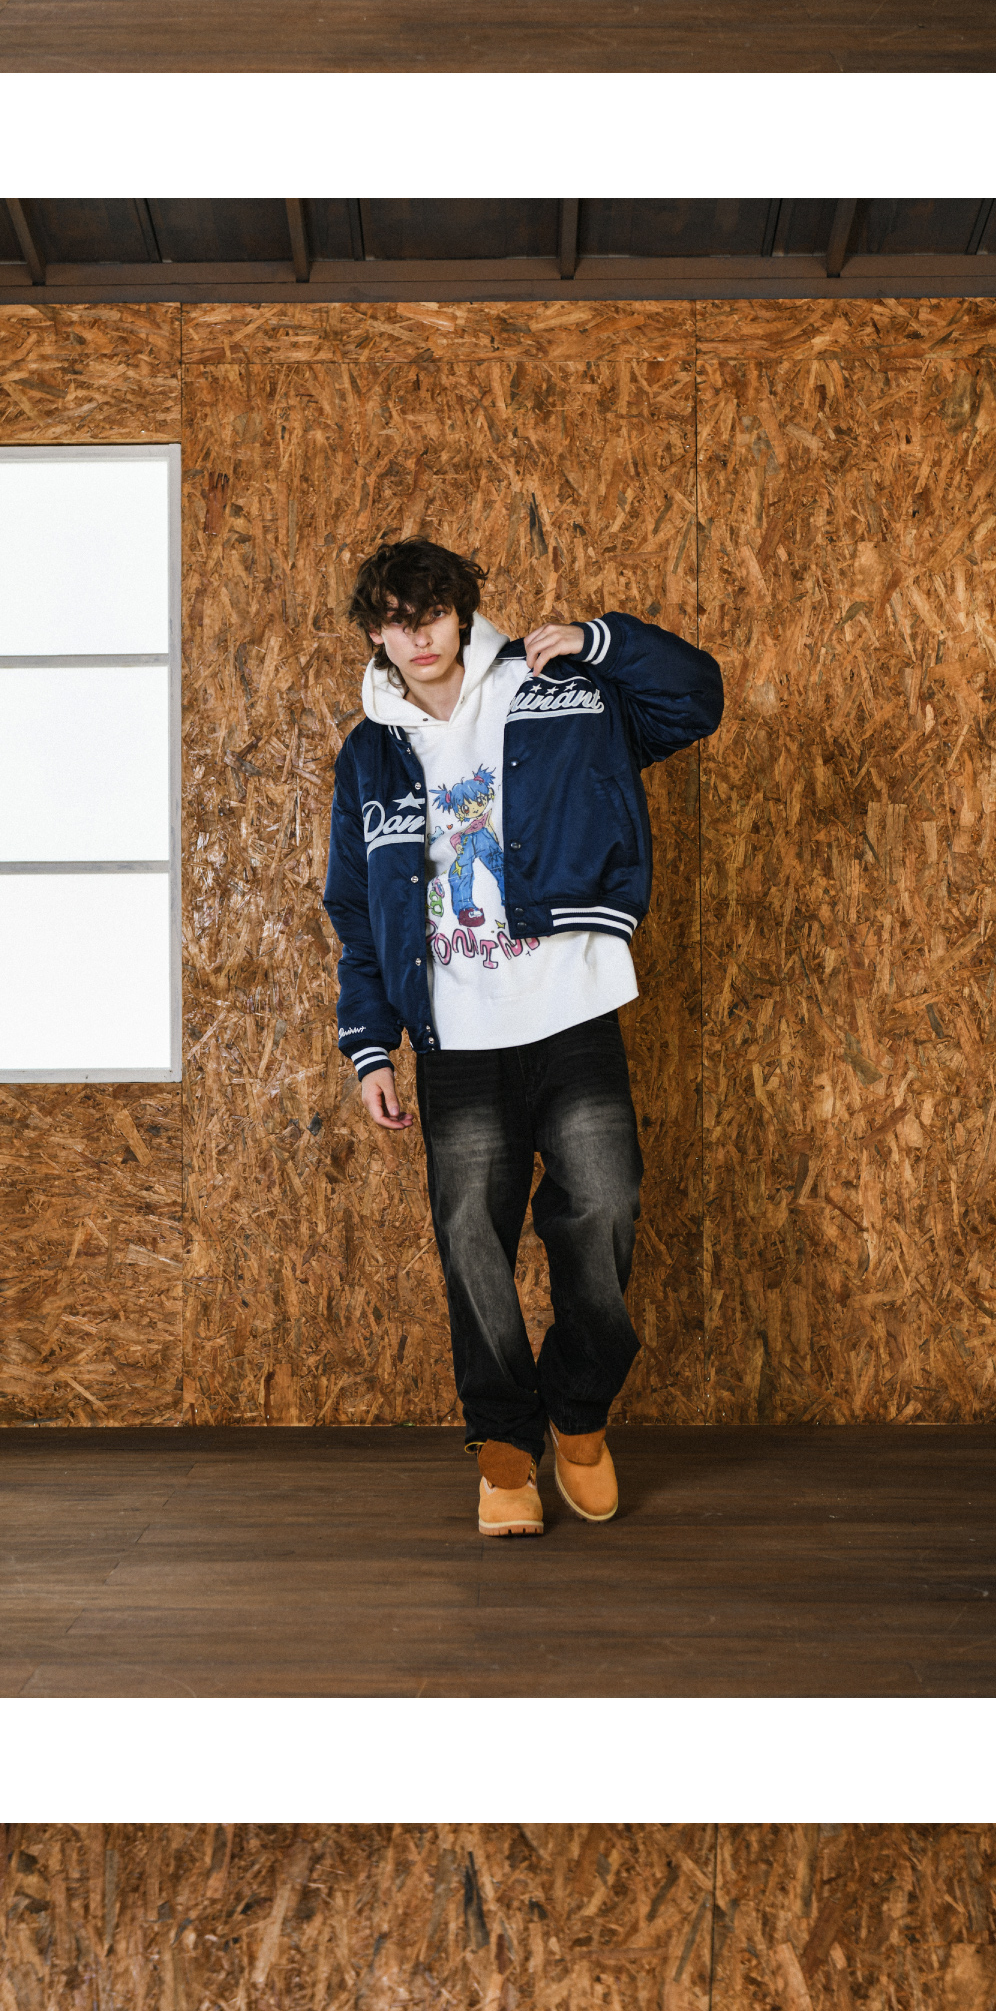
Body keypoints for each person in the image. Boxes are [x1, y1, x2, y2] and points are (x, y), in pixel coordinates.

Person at [322, 532, 723, 1528]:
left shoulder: (559, 691)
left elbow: (695, 699)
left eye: (432, 613)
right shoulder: (369, 754)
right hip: (452, 1032)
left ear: (462, 611)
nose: (418, 636)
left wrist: (601, 640)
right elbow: (356, 911)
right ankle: (505, 1451)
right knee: (471, 1241)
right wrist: (370, 1045)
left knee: (605, 1209)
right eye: (395, 622)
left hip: (569, 1002)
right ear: (375, 634)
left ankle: (578, 1412)